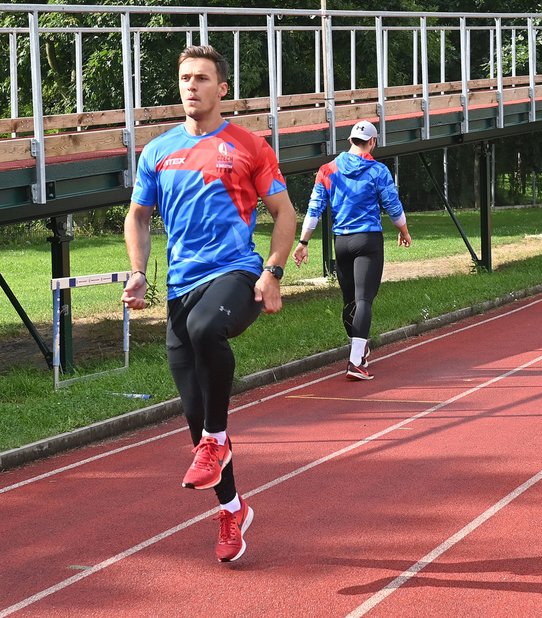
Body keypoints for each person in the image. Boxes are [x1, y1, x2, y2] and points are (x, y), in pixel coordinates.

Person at [122, 45, 295, 562]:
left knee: (205, 331)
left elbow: (285, 213)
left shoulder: (248, 145)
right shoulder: (156, 152)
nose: (191, 86)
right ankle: (233, 510)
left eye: (201, 78)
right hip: (180, 287)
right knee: (196, 423)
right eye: (184, 79)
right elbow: (138, 217)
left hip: (237, 274)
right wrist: (136, 272)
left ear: (222, 89)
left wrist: (273, 272)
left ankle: (219, 438)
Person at [292, 119, 411, 380]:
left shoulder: (327, 169)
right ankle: (356, 361)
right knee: (364, 300)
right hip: (368, 241)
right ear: (373, 142)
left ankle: (359, 346)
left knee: (350, 301)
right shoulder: (378, 171)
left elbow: (314, 208)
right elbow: (392, 204)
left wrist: (303, 242)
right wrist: (403, 230)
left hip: (342, 243)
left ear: (349, 141)